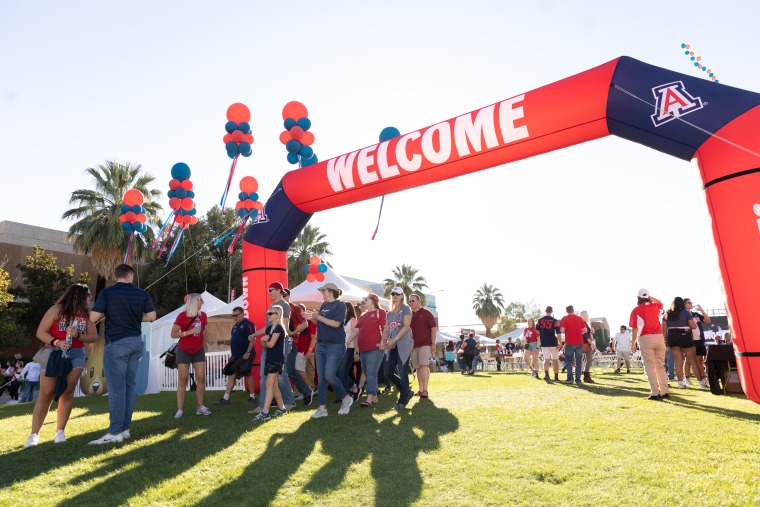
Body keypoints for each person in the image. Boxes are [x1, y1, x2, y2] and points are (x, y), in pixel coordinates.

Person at [88, 264, 156, 444]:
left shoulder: (107, 293)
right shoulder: (142, 294)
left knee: (117, 388)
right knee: (129, 387)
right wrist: (134, 317)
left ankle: (115, 432)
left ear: (116, 275)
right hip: (136, 342)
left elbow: (93, 318)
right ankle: (124, 429)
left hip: (116, 343)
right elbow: (151, 316)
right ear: (130, 275)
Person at [25, 284, 99, 446]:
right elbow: (41, 332)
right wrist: (57, 342)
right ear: (78, 295)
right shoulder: (56, 310)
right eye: (88, 295)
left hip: (77, 353)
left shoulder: (86, 315)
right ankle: (34, 434)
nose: (90, 298)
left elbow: (94, 337)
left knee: (67, 391)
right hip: (53, 352)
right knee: (46, 393)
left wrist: (78, 334)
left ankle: (60, 431)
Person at [305, 282, 353, 418]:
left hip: (335, 345)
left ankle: (345, 399)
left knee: (330, 375)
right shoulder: (324, 305)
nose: (322, 293)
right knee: (321, 378)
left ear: (330, 291)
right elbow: (321, 324)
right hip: (321, 344)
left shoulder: (340, 305)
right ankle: (322, 409)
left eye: (323, 291)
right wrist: (312, 319)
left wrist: (317, 316)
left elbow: (336, 324)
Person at [249, 282, 296, 415]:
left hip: (280, 344)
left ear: (279, 291)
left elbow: (283, 326)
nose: (269, 292)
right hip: (270, 343)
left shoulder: (284, 305)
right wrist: (255, 334)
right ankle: (265, 405)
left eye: (271, 289)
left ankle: (288, 402)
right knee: (266, 376)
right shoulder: (272, 306)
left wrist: (271, 338)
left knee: (280, 375)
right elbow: (268, 327)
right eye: (268, 290)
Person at [170, 293, 212, 418]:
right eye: (201, 300)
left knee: (201, 378)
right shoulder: (182, 316)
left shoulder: (203, 316)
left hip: (198, 350)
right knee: (183, 379)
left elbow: (204, 332)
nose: (203, 302)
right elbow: (173, 334)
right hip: (184, 351)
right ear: (195, 301)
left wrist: (208, 339)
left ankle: (200, 407)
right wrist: (190, 332)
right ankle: (180, 410)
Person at [629, 289, 669, 400]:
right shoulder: (655, 307)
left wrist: (633, 343)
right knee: (660, 366)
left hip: (645, 338)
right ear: (648, 297)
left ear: (638, 298)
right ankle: (665, 391)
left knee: (649, 366)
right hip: (659, 337)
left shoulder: (636, 310)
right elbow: (660, 303)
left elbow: (635, 328)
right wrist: (650, 297)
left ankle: (655, 392)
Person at [348, 293, 386, 406]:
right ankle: (374, 397)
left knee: (371, 372)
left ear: (373, 301)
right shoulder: (363, 315)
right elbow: (357, 330)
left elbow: (386, 328)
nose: (364, 301)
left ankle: (369, 398)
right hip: (363, 350)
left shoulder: (380, 312)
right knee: (369, 373)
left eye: (366, 299)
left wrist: (383, 342)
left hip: (375, 348)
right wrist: (349, 339)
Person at [253, 306, 289, 421]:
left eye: (271, 313)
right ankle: (282, 409)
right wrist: (262, 340)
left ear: (278, 315)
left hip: (276, 359)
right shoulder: (269, 329)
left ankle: (265, 413)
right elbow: (265, 346)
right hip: (270, 358)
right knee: (273, 385)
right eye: (268, 313)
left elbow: (271, 344)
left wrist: (264, 340)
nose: (268, 315)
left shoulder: (278, 328)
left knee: (269, 384)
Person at [214, 307, 256, 405]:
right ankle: (226, 398)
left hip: (245, 354)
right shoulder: (235, 326)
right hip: (236, 356)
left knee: (247, 374)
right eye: (233, 315)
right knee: (231, 374)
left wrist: (248, 352)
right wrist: (223, 342)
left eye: (236, 315)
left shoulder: (248, 324)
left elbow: (253, 339)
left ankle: (252, 397)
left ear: (242, 314)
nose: (234, 317)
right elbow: (233, 341)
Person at [662, 296, 707, 389]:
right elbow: (693, 326)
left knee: (678, 361)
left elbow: (664, 329)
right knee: (693, 360)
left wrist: (665, 341)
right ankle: (701, 383)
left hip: (672, 337)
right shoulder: (686, 312)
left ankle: (681, 383)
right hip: (685, 336)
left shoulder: (667, 314)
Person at [381, 287, 414, 411]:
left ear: (402, 296)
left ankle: (402, 400)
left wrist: (394, 339)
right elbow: (386, 329)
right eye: (393, 294)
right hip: (392, 345)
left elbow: (406, 326)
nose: (395, 296)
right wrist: (384, 341)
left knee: (403, 371)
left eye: (397, 294)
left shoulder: (406, 308)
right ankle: (407, 391)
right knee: (387, 373)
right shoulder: (389, 313)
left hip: (404, 343)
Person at [282, 288, 312, 403]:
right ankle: (282, 397)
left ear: (289, 296)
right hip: (278, 343)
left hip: (292, 343)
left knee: (290, 370)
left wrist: (293, 333)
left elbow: (305, 323)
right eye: (281, 294)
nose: (283, 296)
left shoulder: (295, 308)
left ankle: (306, 391)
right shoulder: (277, 308)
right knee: (280, 371)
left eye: (284, 295)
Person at [409, 293, 437, 398]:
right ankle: (420, 390)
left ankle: (425, 389)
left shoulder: (426, 313)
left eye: (413, 300)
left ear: (419, 301)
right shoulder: (409, 315)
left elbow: (433, 328)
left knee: (424, 365)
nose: (410, 302)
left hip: (425, 344)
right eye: (410, 301)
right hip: (413, 346)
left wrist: (433, 343)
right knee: (417, 367)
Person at [684, 298, 710, 384]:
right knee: (688, 360)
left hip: (699, 340)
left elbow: (708, 321)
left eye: (691, 302)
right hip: (689, 340)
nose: (691, 304)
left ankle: (703, 378)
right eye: (689, 303)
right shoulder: (682, 315)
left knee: (699, 361)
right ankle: (687, 378)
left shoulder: (695, 314)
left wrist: (702, 310)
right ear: (684, 304)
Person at [338, 301, 360, 399]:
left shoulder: (353, 320)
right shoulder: (341, 320)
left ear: (348, 309)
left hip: (350, 349)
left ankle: (344, 394)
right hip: (341, 349)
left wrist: (356, 352)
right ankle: (354, 389)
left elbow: (356, 337)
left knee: (342, 372)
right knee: (339, 372)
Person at [296, 303, 317, 404]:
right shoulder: (298, 323)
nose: (299, 313)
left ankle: (310, 391)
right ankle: (304, 391)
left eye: (300, 311)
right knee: (300, 371)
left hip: (308, 351)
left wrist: (309, 350)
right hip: (300, 350)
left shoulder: (310, 322)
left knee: (308, 371)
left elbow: (314, 337)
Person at [560, 305, 585, 385]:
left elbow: (562, 330)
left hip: (570, 342)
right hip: (579, 342)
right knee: (578, 361)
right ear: (573, 310)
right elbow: (584, 330)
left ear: (566, 311)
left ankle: (570, 378)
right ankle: (578, 380)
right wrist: (578, 331)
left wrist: (568, 331)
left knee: (568, 361)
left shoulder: (564, 319)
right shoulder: (579, 318)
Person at [537, 306, 562, 381]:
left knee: (546, 359)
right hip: (553, 342)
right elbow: (558, 333)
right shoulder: (554, 320)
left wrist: (543, 333)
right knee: (555, 360)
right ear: (552, 311)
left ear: (545, 311)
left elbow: (537, 330)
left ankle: (546, 374)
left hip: (544, 342)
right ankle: (556, 377)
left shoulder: (540, 320)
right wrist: (560, 342)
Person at [579, 310, 596, 383]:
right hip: (584, 344)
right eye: (586, 315)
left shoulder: (585, 323)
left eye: (587, 315)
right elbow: (585, 335)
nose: (587, 317)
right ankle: (585, 376)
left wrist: (591, 331)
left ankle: (586, 376)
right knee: (586, 360)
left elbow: (587, 334)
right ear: (581, 316)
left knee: (588, 360)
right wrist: (592, 344)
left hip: (586, 343)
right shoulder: (582, 323)